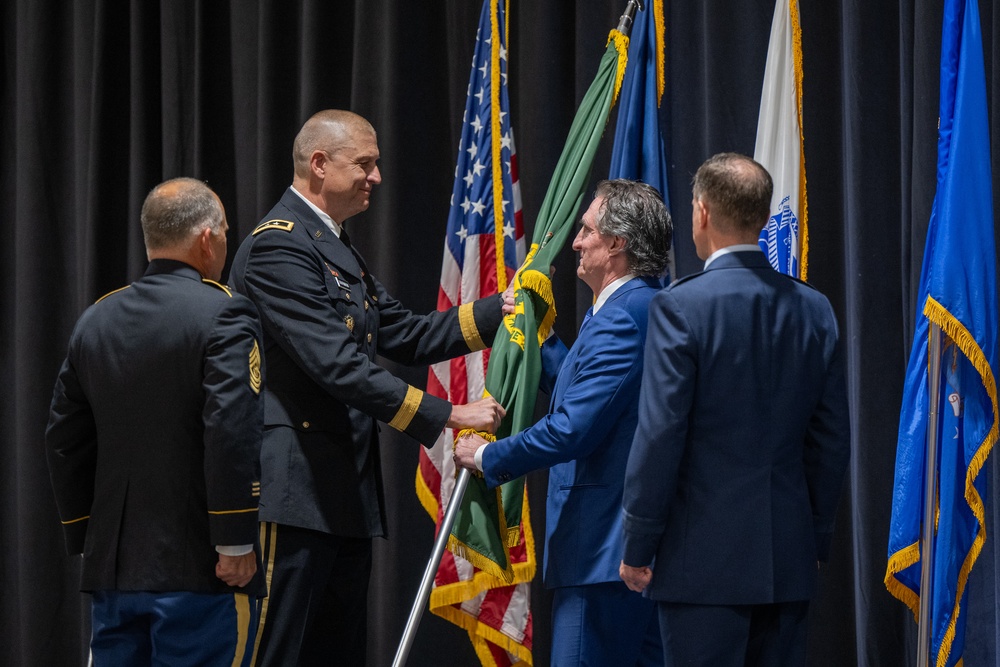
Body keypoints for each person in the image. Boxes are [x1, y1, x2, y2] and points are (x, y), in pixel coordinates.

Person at [229, 109, 510, 666]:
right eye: (365, 164)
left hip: (340, 491)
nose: (376, 177)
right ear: (318, 164)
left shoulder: (332, 244)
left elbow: (402, 332)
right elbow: (335, 366)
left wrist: (497, 310)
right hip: (293, 491)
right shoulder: (277, 247)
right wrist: (450, 414)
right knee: (281, 654)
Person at [619, 153, 851, 666]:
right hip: (788, 563)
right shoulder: (815, 309)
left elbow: (660, 436)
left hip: (699, 567)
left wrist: (638, 545)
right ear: (765, 219)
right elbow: (831, 441)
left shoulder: (680, 306)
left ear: (701, 212)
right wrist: (812, 539)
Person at [45, 177, 265, 666]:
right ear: (207, 237)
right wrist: (234, 540)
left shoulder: (96, 319)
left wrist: (91, 539)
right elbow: (232, 431)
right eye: (226, 232)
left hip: (115, 573)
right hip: (202, 569)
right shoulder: (225, 313)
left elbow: (63, 440)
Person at [454, 179, 671, 666]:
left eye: (586, 230)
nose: (574, 241)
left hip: (603, 551)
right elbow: (591, 399)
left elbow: (574, 428)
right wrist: (545, 336)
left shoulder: (626, 313)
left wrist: (489, 455)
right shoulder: (632, 306)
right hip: (618, 551)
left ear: (617, 244)